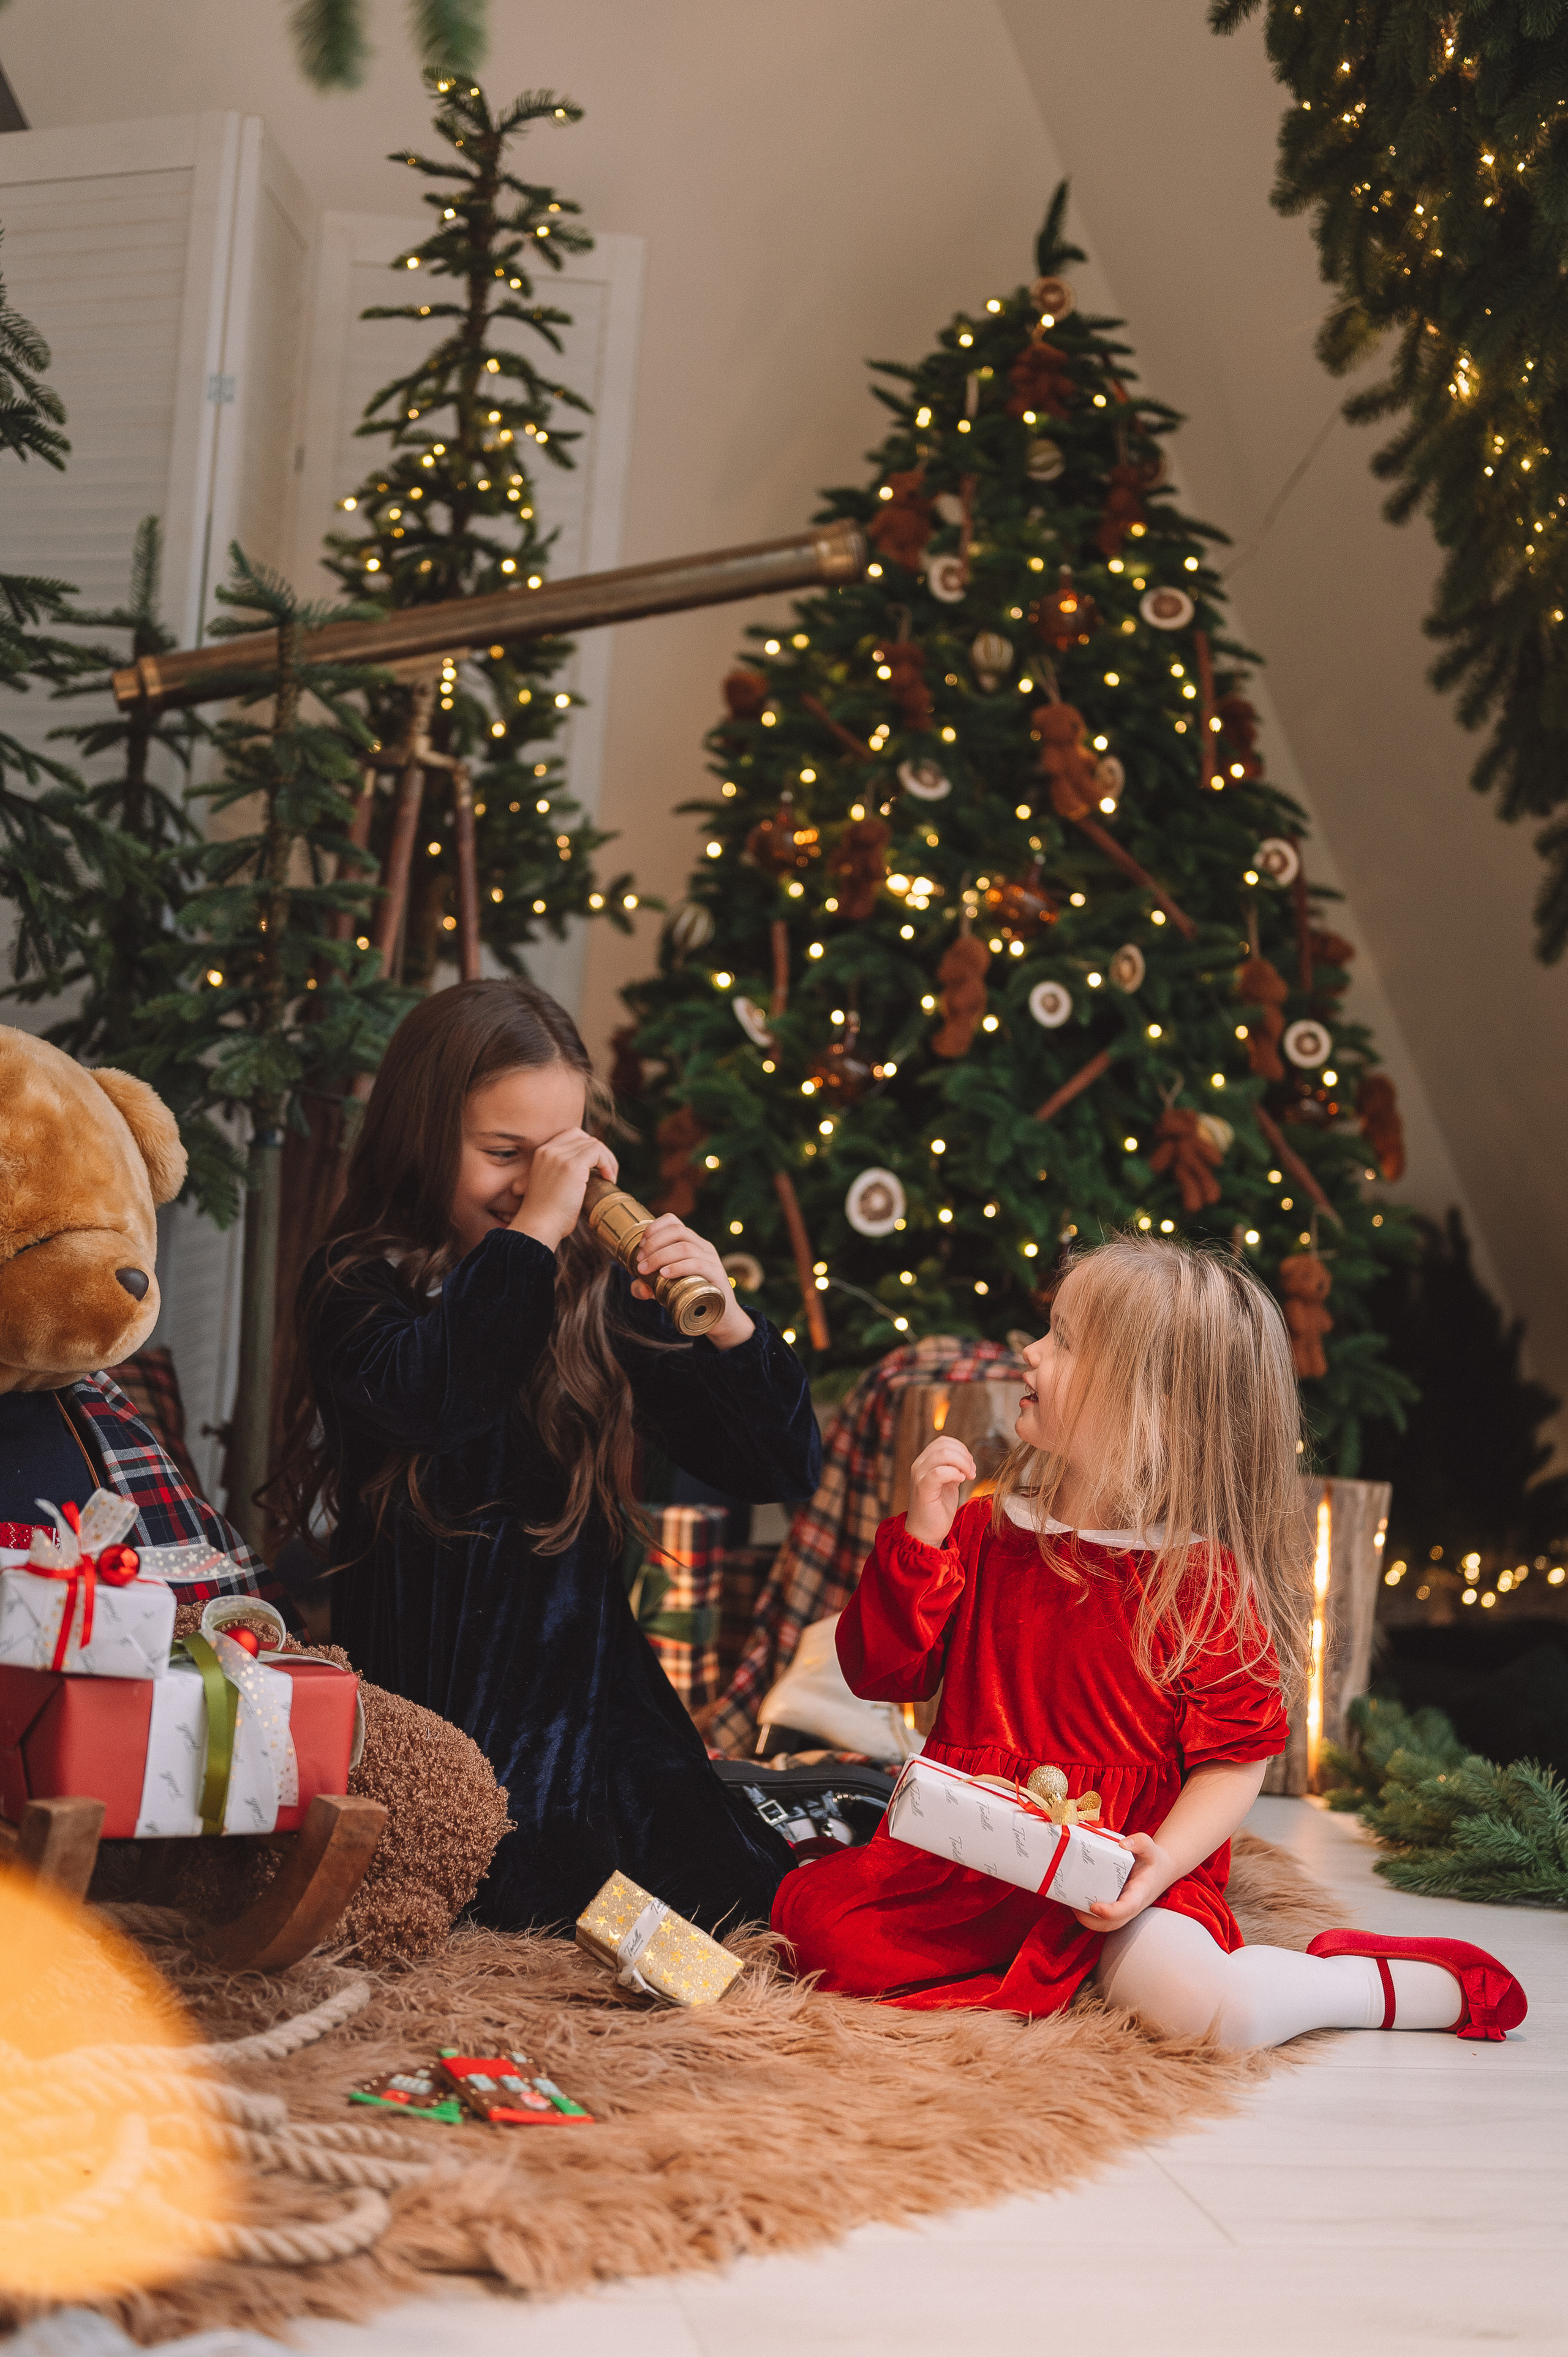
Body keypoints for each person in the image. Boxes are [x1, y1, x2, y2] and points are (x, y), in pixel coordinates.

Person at [773, 1236, 1527, 2045]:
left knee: (1207, 2011)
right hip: (984, 1853)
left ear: (1146, 1410)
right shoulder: (985, 1531)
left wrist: (1159, 1867)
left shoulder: (1195, 1577)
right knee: (815, 1930)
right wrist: (919, 1543)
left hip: (1126, 1861)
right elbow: (884, 1671)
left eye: (1063, 1341)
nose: (1030, 1351)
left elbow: (1235, 1759)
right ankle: (1028, 1958)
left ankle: (1356, 1987)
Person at [273, 978, 820, 1934]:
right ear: (420, 1133)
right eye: (504, 1155)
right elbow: (436, 1396)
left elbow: (775, 1469)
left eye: (561, 1157)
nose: (538, 1186)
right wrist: (534, 1236)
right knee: (487, 1901)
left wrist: (727, 1325)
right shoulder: (357, 1281)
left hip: (589, 1699)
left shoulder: (588, 1289)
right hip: (427, 1692)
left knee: (740, 1903)